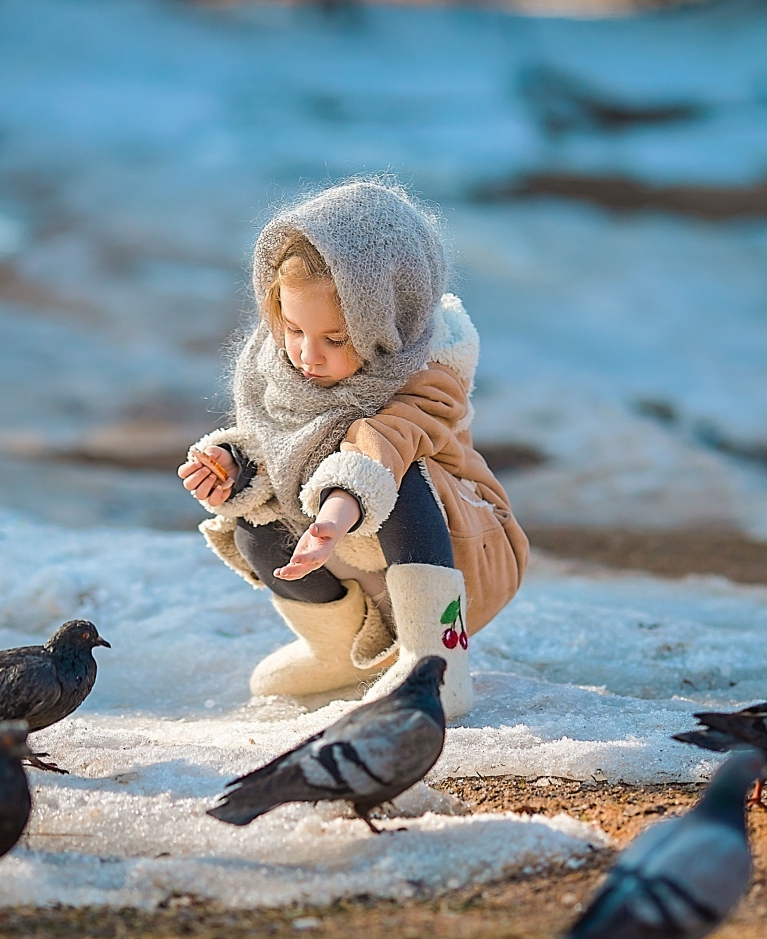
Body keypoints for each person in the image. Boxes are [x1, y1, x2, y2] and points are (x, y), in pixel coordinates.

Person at [178, 180, 528, 719]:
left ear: (390, 317)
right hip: (350, 547)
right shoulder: (276, 364)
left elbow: (381, 446)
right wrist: (235, 467)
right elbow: (278, 447)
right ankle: (339, 650)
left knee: (401, 474)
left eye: (335, 339)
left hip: (462, 549)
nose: (306, 355)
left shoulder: (430, 372)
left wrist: (336, 513)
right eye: (293, 329)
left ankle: (436, 664)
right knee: (253, 516)